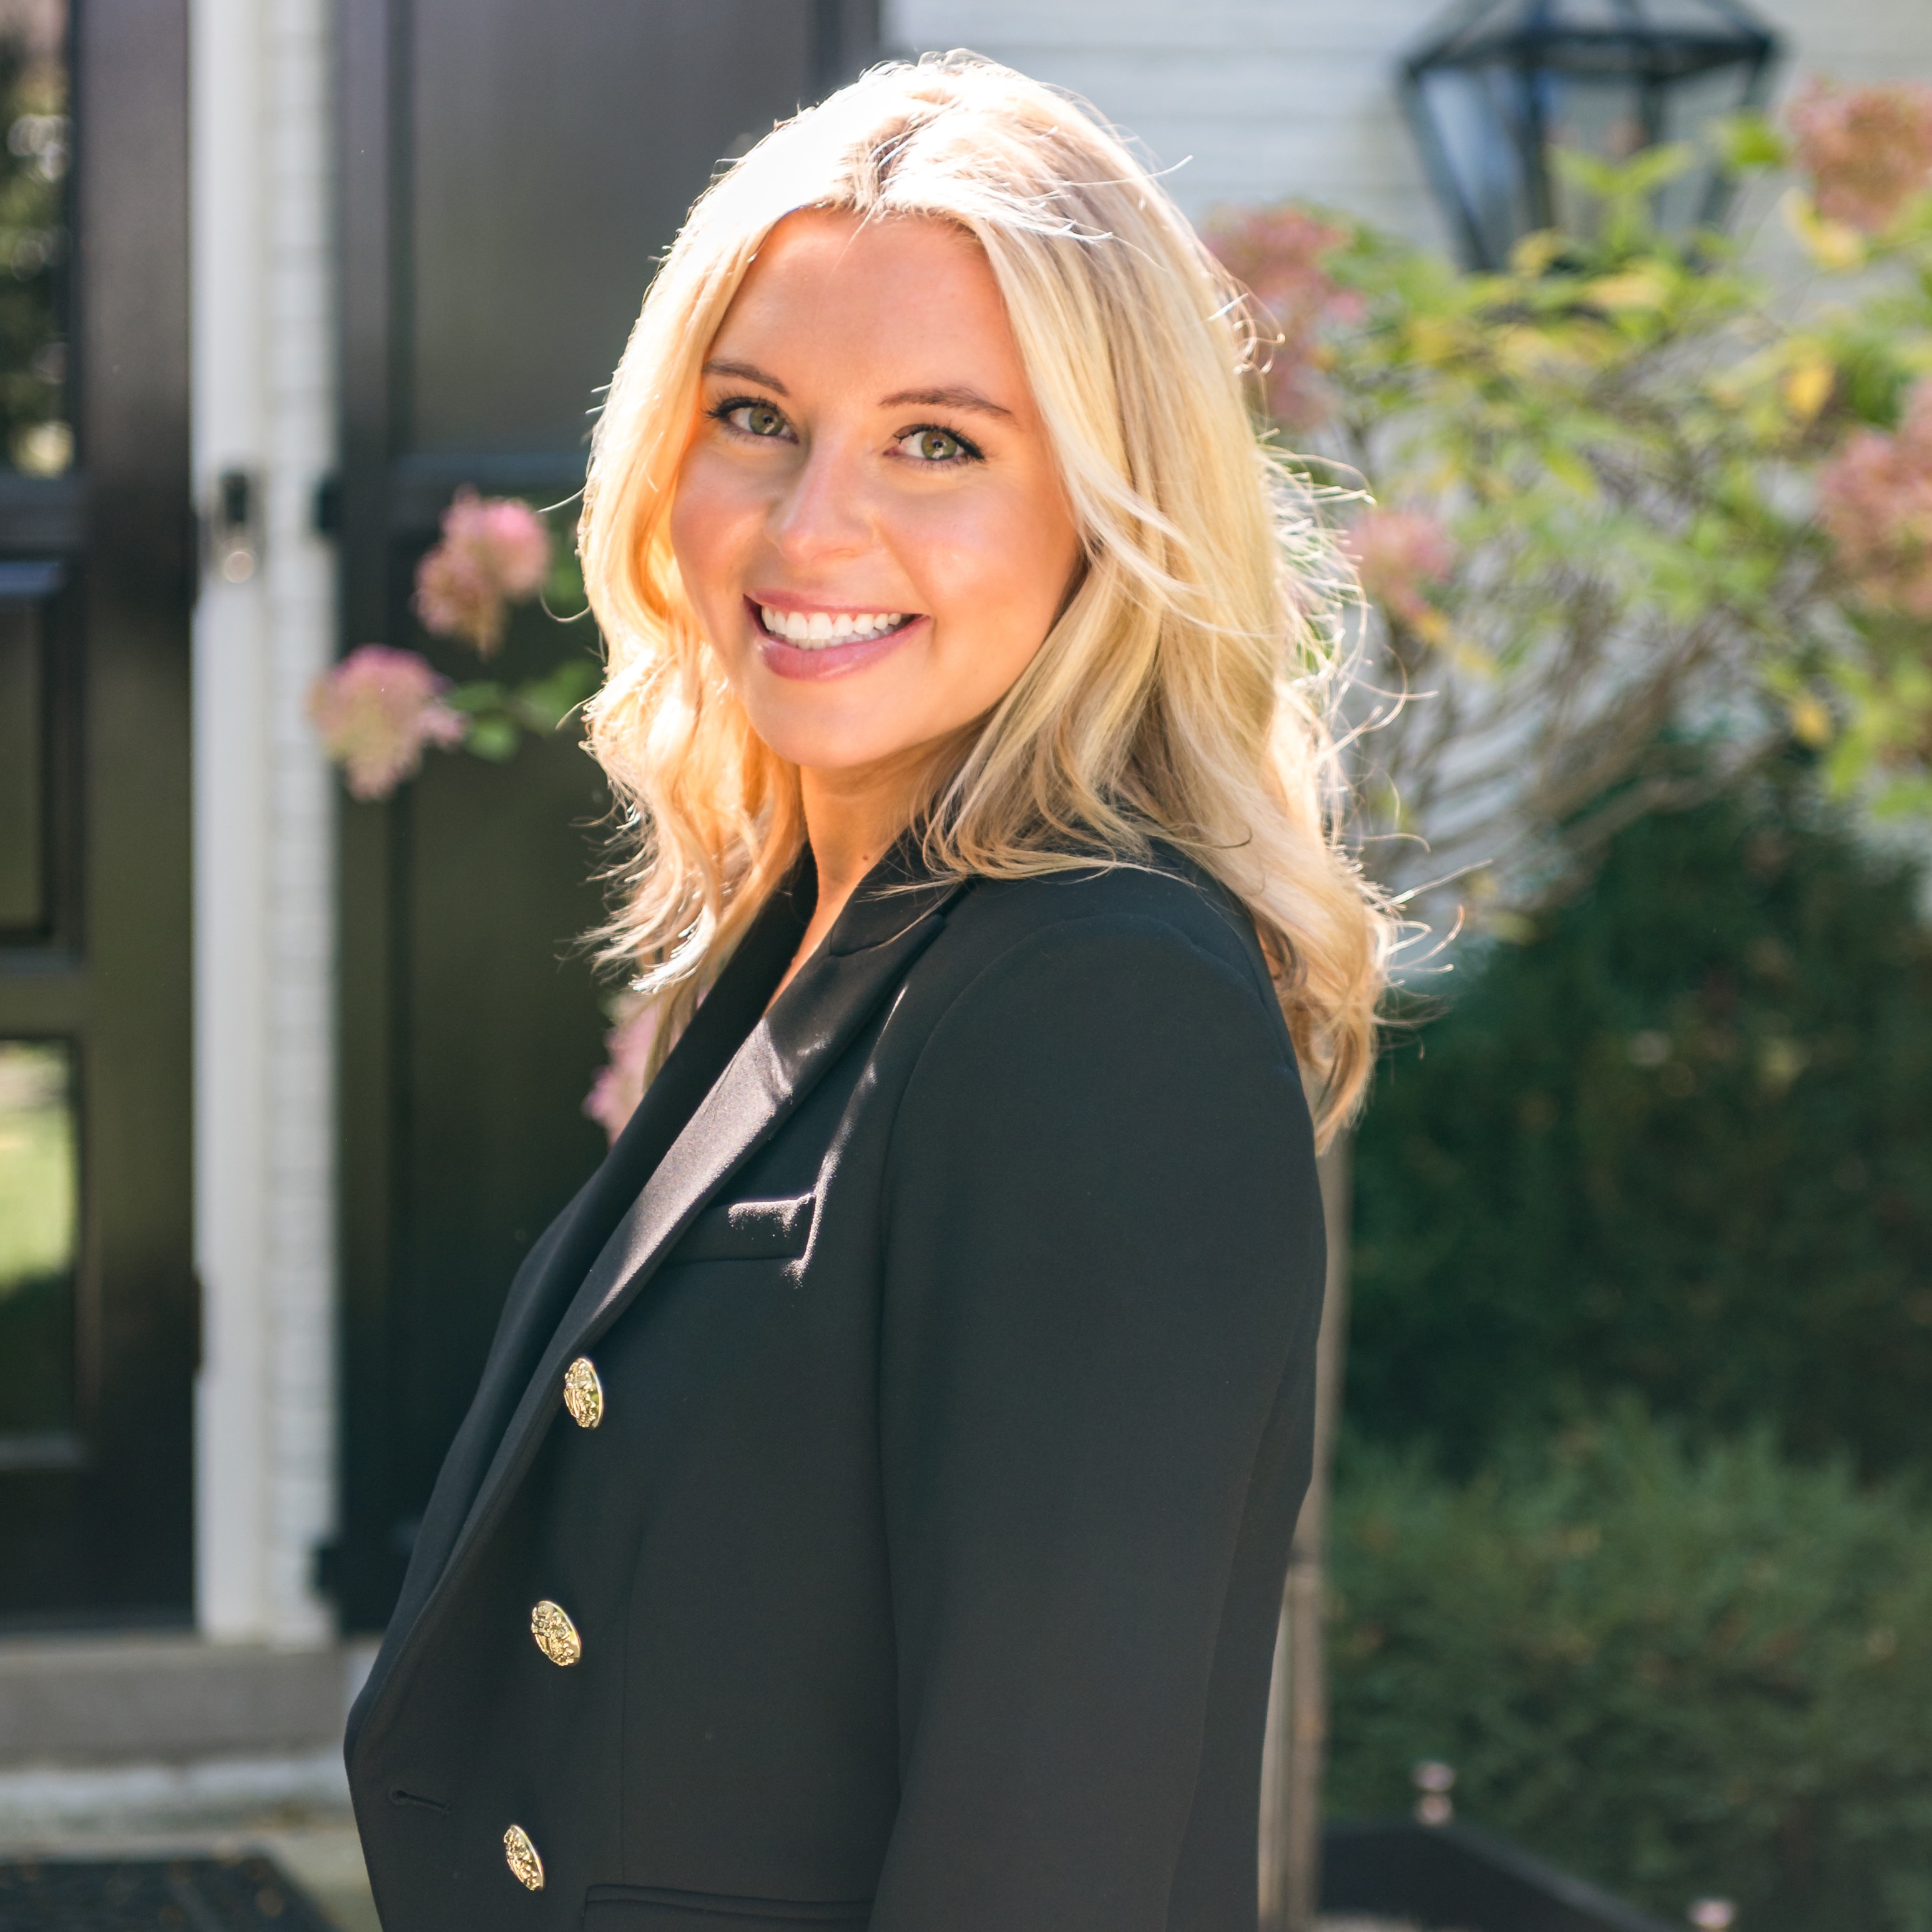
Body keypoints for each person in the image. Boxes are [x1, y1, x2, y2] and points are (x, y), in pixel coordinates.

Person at [345, 52, 1390, 1932]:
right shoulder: (827, 936)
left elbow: (1043, 1855)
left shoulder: (1096, 1011)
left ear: (1111, 505)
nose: (812, 528)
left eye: (940, 441)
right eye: (757, 415)